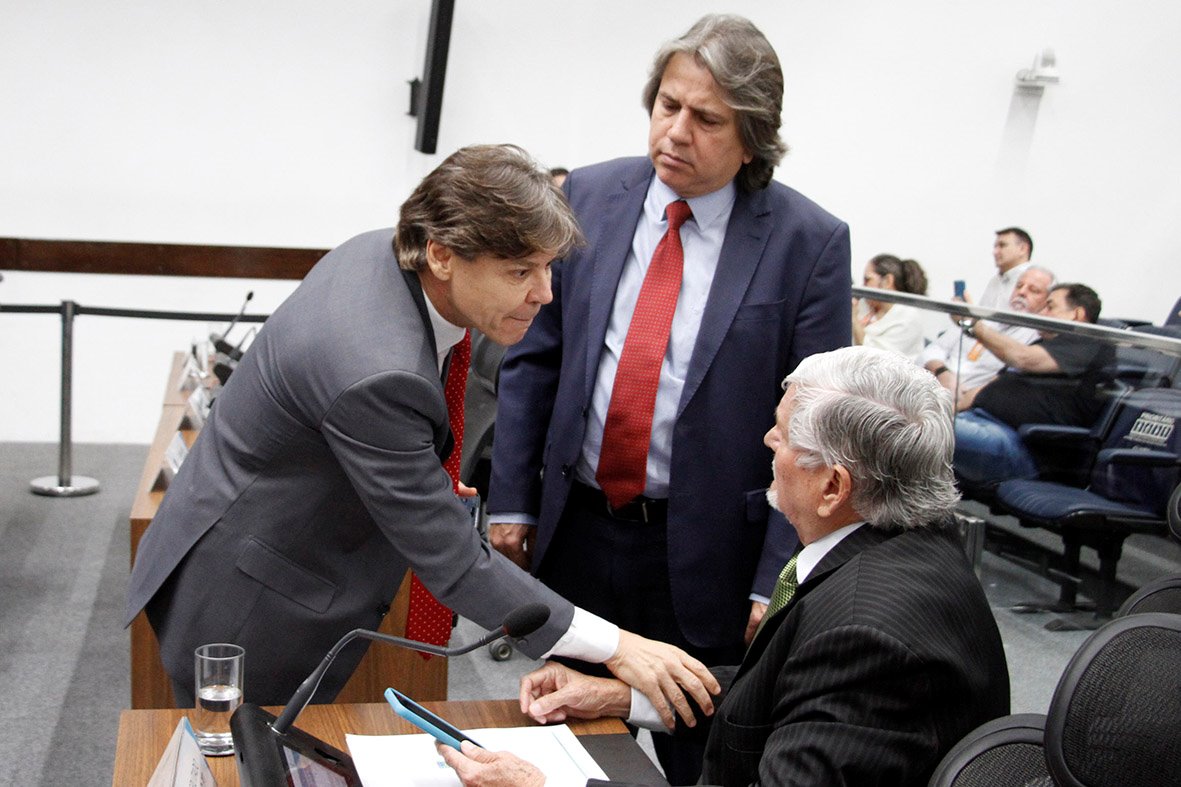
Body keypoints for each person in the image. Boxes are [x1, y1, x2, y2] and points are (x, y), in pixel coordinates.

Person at [124, 144, 718, 725]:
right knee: (237, 760)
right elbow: (455, 563)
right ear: (441, 254)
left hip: (271, 540)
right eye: (520, 271)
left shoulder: (385, 258)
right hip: (249, 608)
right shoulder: (375, 370)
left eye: (547, 267)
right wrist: (618, 647)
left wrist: (415, 472)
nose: (545, 292)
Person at [486, 15, 851, 782]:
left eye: (706, 119)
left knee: (706, 753)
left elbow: (819, 423)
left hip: (708, 553)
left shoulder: (806, 240)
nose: (676, 131)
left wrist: (776, 574)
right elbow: (534, 358)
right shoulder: (589, 194)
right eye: (667, 105)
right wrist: (511, 499)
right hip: (580, 530)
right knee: (563, 740)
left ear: (751, 138)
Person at [440, 346, 1011, 787]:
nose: (767, 439)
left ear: (833, 487)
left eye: (783, 434)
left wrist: (546, 785)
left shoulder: (868, 636)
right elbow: (782, 694)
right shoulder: (898, 541)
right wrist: (621, 697)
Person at [954, 283, 1115, 487]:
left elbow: (1023, 358)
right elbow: (990, 387)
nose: (1041, 312)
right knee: (922, 425)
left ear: (1077, 314)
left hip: (1020, 446)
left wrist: (973, 324)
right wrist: (947, 410)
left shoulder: (1090, 342)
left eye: (1050, 306)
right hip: (977, 421)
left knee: (921, 430)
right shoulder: (1046, 346)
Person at [919, 265, 1055, 393]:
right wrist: (941, 372)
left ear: (1047, 302)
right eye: (1019, 286)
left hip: (967, 398)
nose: (1022, 292)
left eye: (1033, 290)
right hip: (932, 381)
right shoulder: (987, 317)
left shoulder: (1035, 339)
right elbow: (933, 349)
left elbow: (1004, 380)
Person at [851, 253, 928, 357]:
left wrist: (854, 319)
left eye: (867, 280)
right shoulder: (865, 305)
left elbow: (874, 358)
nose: (863, 286)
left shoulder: (908, 317)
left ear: (887, 281)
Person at [977, 226, 1035, 308]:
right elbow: (983, 314)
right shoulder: (995, 281)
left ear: (1023, 249)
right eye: (995, 247)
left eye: (1002, 245)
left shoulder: (1036, 281)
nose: (995, 252)